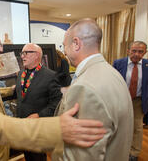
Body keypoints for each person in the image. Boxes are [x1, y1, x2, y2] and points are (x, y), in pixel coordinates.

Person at [0, 26, 107, 161]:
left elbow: (55, 102)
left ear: (37, 55)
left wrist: (40, 117)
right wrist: (58, 128)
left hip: (24, 136)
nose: (1, 49)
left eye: (0, 44)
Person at [54, 18, 134, 161]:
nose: (64, 51)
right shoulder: (112, 72)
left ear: (76, 44)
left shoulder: (84, 87)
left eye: (64, 45)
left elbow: (81, 156)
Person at [15, 43, 63, 161]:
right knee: (28, 156)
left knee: (37, 158)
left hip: (38, 129)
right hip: (22, 126)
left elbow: (57, 103)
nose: (22, 56)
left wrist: (38, 115)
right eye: (22, 53)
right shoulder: (21, 74)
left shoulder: (51, 76)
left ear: (37, 55)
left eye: (26, 53)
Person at [113, 41, 148, 161]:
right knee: (119, 125)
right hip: (121, 99)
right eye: (134, 51)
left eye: (140, 51)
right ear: (128, 51)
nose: (137, 54)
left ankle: (134, 153)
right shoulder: (118, 63)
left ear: (145, 52)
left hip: (138, 101)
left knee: (137, 127)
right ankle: (119, 149)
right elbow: (112, 81)